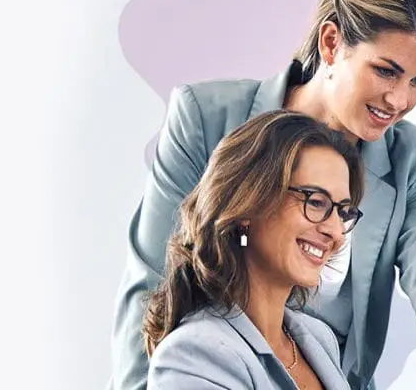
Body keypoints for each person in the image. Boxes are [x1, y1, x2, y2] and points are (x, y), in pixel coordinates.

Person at [111, 0, 416, 389]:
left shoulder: (407, 161)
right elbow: (154, 281)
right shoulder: (207, 119)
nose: (399, 100)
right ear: (331, 42)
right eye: (386, 70)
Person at [144, 111, 361, 390]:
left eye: (343, 212)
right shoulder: (192, 356)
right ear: (248, 205)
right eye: (316, 202)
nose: (336, 232)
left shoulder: (319, 338)